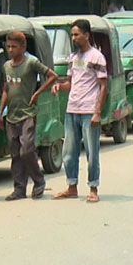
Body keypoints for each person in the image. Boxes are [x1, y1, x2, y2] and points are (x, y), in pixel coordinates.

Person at [0, 30, 58, 200]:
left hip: (27, 114)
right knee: (15, 153)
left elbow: (52, 76)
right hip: (11, 116)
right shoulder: (7, 66)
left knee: (26, 149)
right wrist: (1, 112)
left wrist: (37, 93)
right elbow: (6, 89)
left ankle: (38, 181)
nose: (10, 50)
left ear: (23, 47)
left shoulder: (31, 63)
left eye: (14, 47)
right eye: (8, 46)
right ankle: (19, 188)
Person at [54, 19, 107, 203]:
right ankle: (71, 186)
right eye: (72, 35)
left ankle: (93, 187)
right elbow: (70, 83)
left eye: (77, 34)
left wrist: (97, 112)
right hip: (72, 109)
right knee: (69, 151)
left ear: (86, 35)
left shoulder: (96, 57)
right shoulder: (73, 58)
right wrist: (59, 87)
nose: (74, 38)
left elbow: (103, 86)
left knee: (92, 152)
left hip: (88, 111)